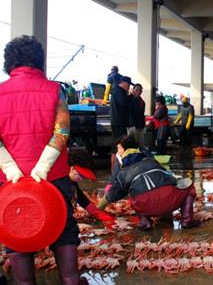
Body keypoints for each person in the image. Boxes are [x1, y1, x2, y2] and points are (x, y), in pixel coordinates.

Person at [0, 36, 87, 284]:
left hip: (11, 185)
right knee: (65, 239)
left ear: (9, 63)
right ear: (39, 62)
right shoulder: (54, 91)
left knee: (18, 236)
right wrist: (43, 167)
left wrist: (10, 167)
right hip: (53, 181)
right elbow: (62, 132)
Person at [97, 136, 200, 230]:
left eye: (119, 149)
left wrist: (100, 206)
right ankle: (187, 220)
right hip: (168, 202)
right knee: (188, 186)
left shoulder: (122, 173)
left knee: (133, 196)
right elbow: (171, 179)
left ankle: (145, 222)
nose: (118, 151)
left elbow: (115, 193)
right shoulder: (152, 162)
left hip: (144, 206)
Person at [67, 147, 115, 226]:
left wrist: (98, 214)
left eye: (83, 177)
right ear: (71, 168)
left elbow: (81, 198)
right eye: (80, 175)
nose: (81, 179)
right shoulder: (60, 182)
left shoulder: (71, 181)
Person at [110, 76, 132, 141]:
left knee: (121, 141)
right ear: (123, 83)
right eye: (128, 84)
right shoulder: (117, 90)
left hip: (120, 122)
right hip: (118, 123)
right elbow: (123, 102)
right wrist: (131, 96)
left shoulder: (120, 91)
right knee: (119, 141)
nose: (129, 87)